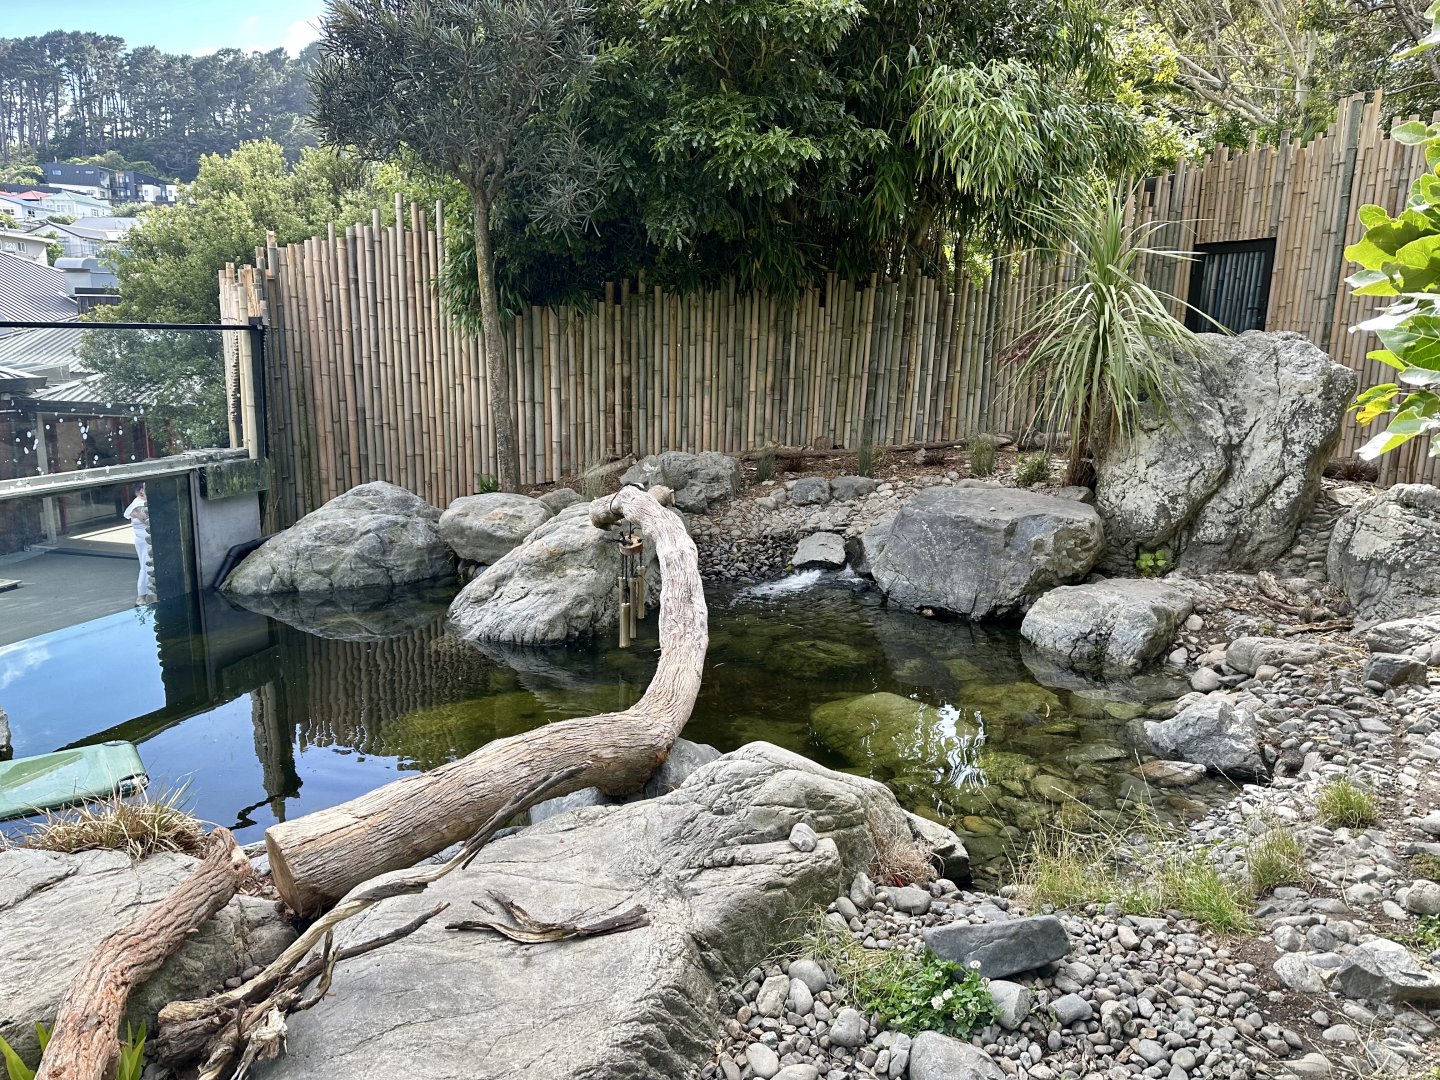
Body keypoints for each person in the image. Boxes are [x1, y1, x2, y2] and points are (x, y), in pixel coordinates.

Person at [123, 485, 152, 603]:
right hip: (143, 540)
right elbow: (146, 519)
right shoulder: (137, 505)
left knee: (147, 565)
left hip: (144, 539)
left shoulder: (141, 502)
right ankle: (141, 595)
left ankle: (146, 594)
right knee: (146, 566)